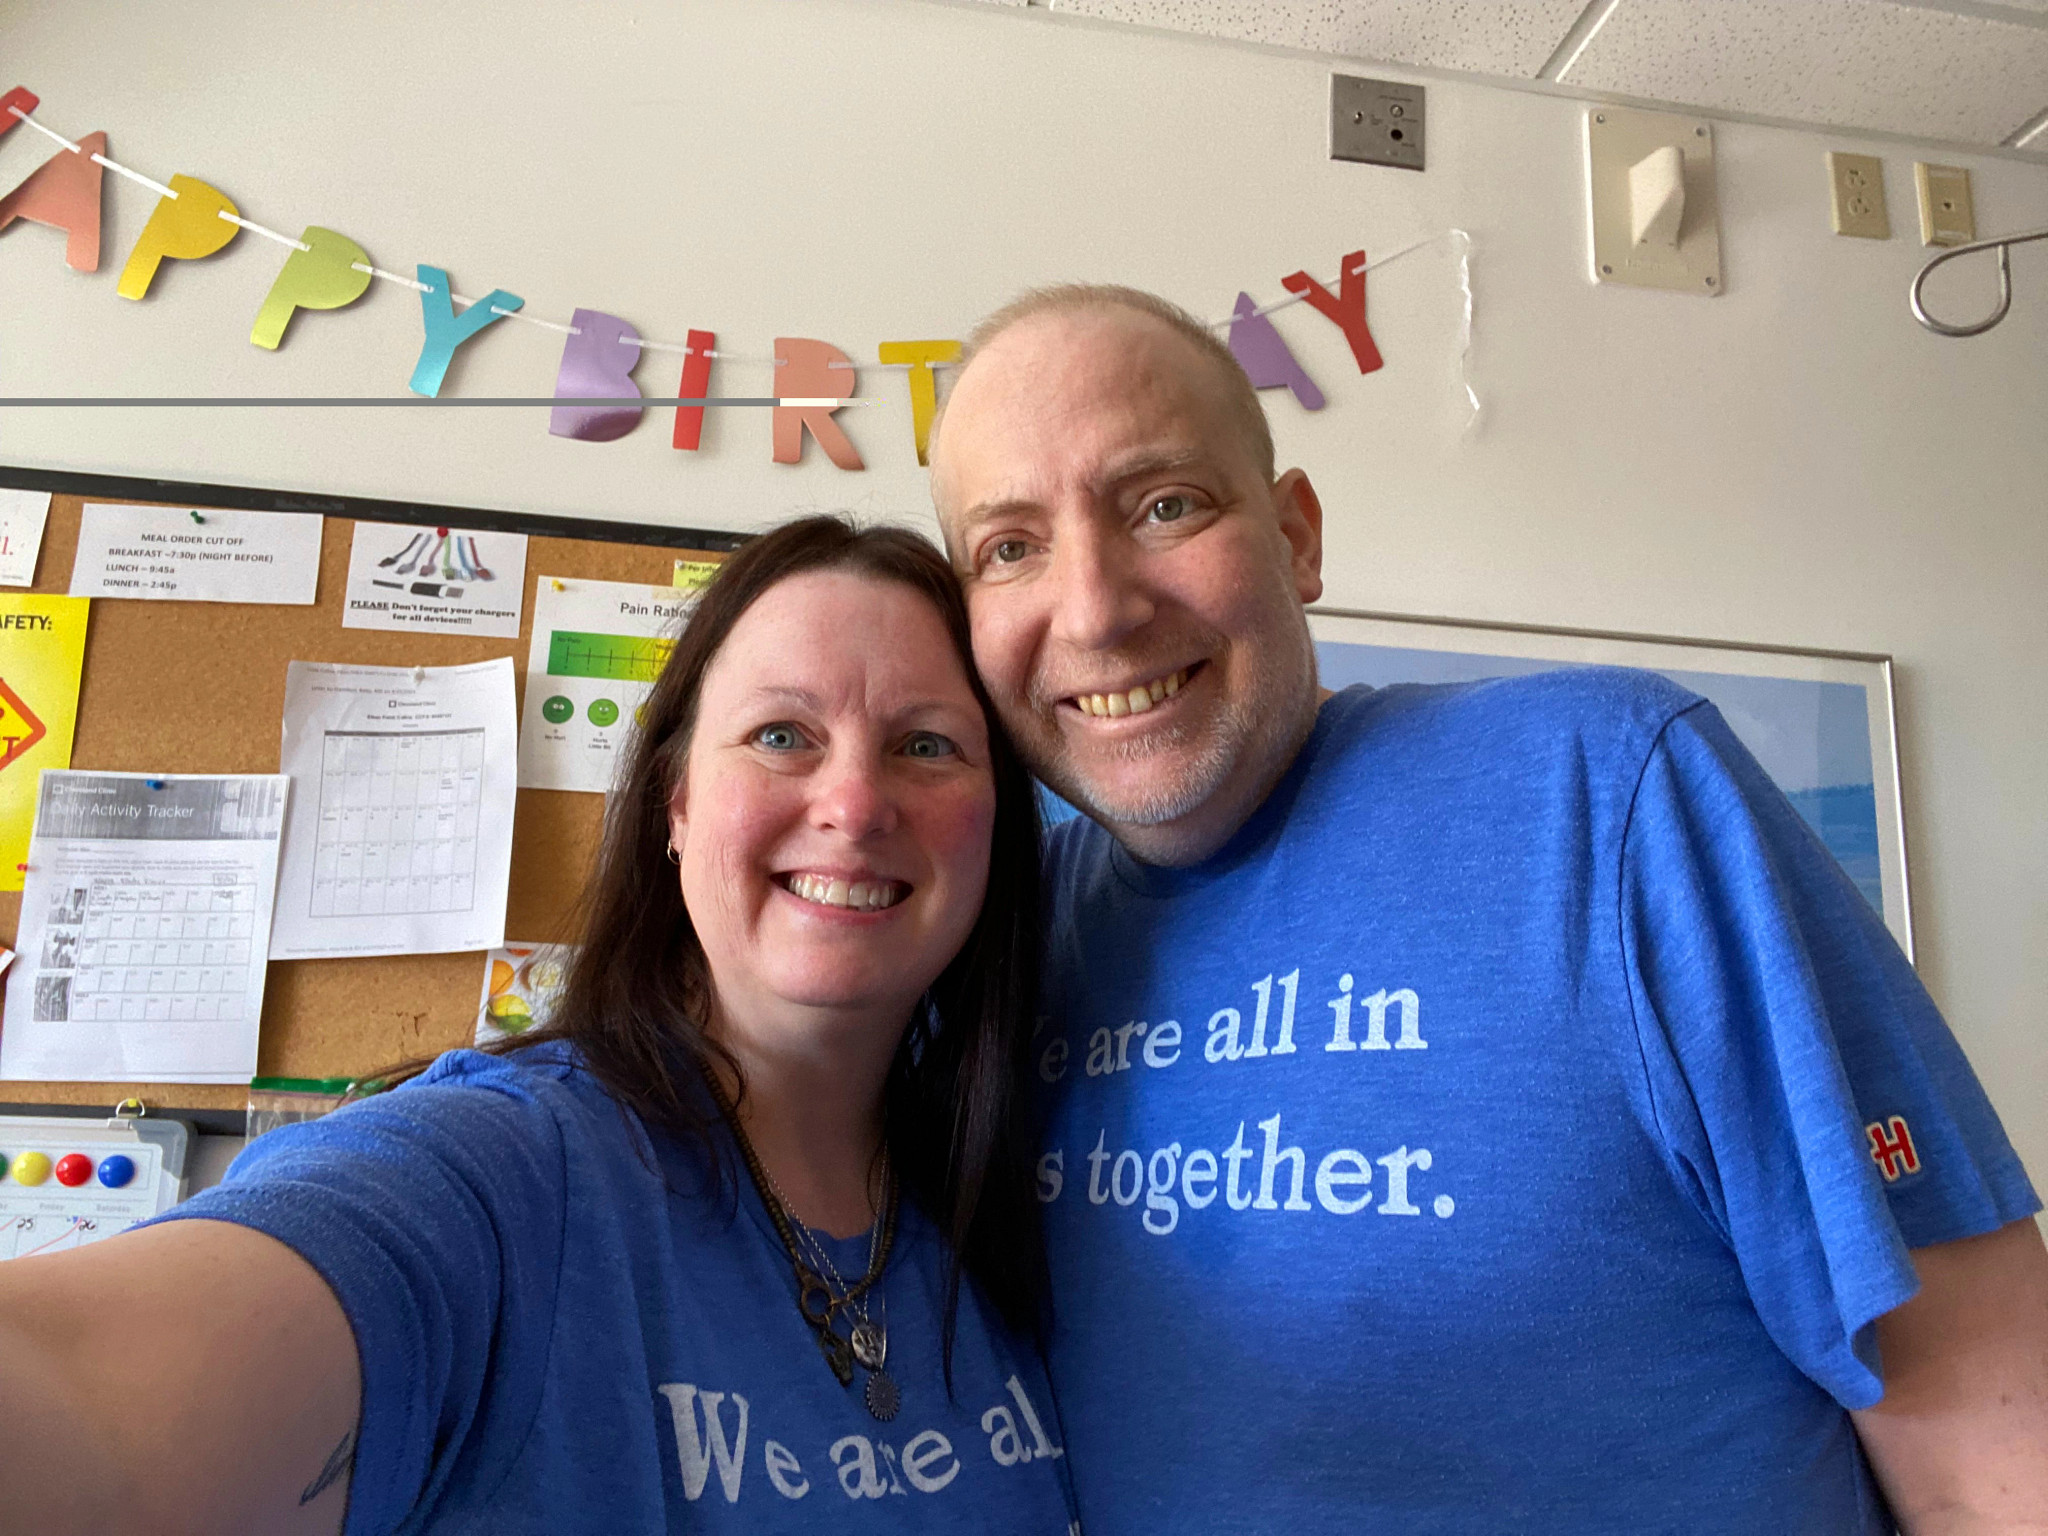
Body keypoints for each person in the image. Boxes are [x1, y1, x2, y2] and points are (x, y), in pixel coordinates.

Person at [926, 286, 2048, 1533]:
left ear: (1295, 537)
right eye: (1008, 548)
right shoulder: (1002, 941)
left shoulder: (1612, 798)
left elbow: (1992, 1456)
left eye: (1164, 505)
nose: (1094, 608)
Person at [0, 517, 1078, 1535]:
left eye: (927, 745)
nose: (854, 804)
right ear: (677, 804)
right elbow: (85, 1399)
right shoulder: (504, 1173)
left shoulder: (1016, 1198)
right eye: (781, 734)